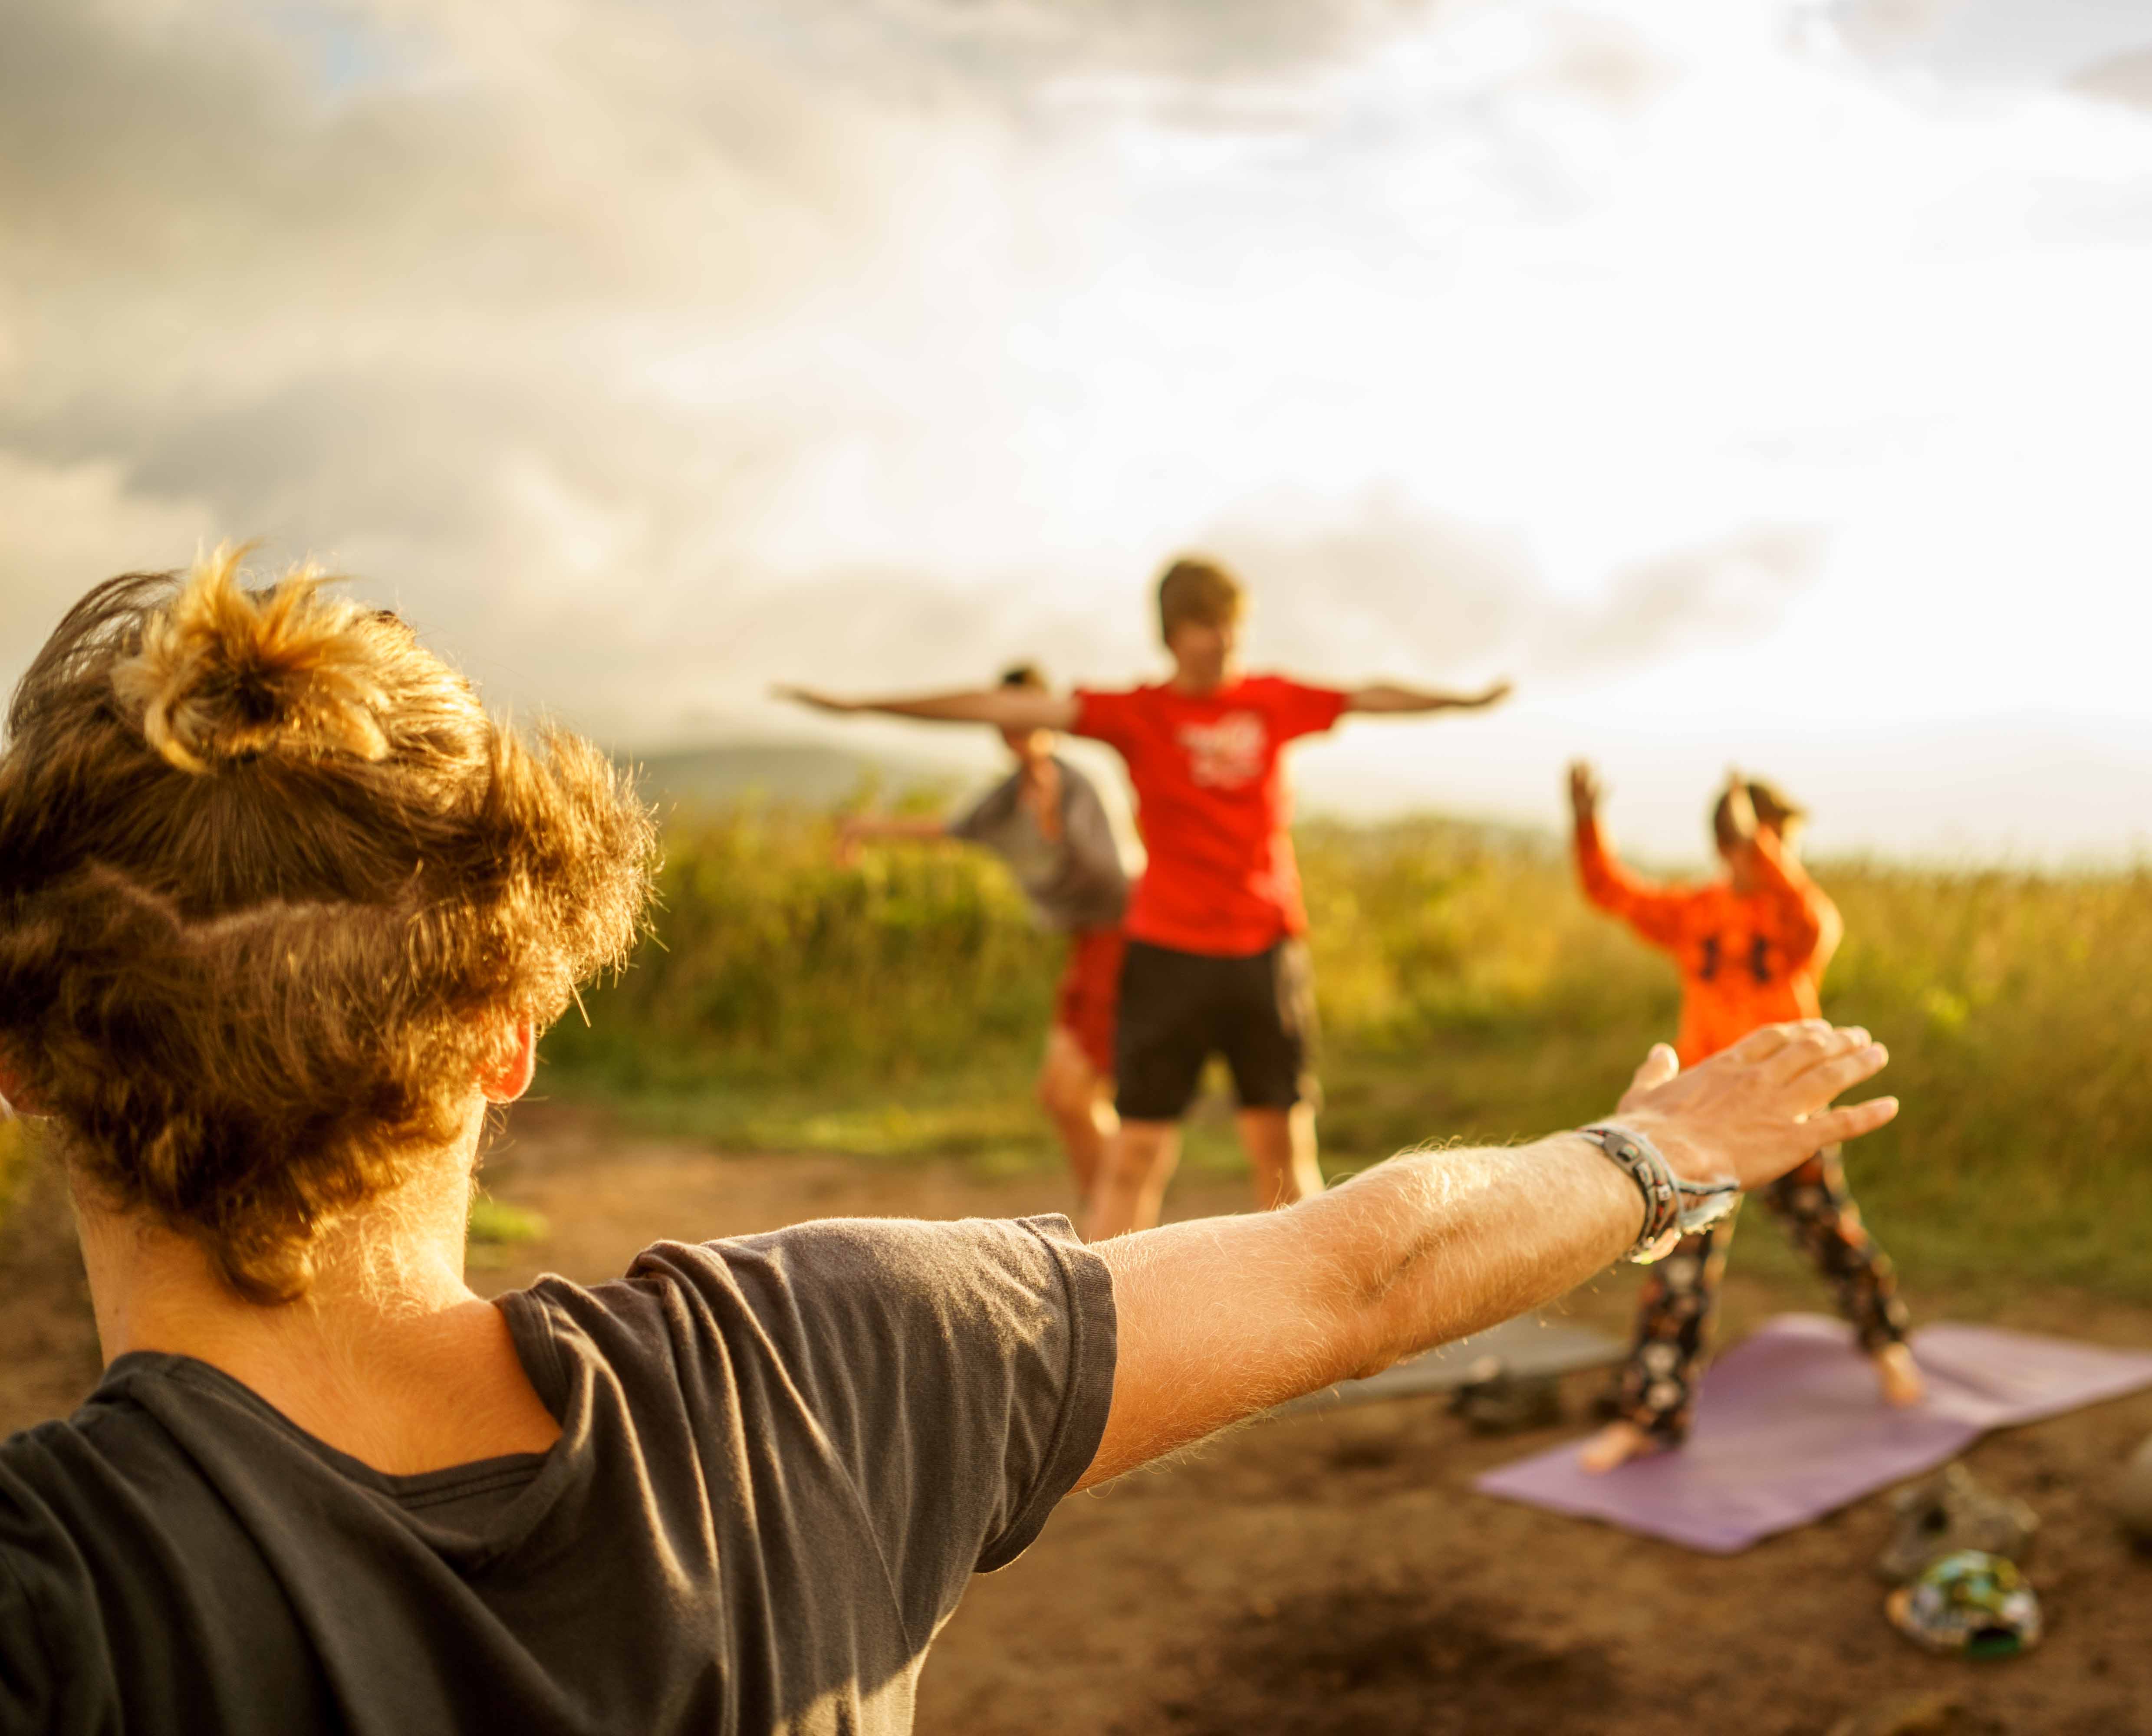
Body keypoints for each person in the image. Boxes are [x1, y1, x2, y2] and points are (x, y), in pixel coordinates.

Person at [0, 551, 1899, 1735]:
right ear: (513, 1033)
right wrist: (1660, 1145)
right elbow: (1365, 1261)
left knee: (1225, 1134)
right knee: (1174, 1162)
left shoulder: (57, 1599)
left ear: (20, 1062)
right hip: (1194, 1017)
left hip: (1230, 960)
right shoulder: (847, 1355)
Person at [777, 556, 1508, 1240]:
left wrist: (1463, 701)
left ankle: (1313, 1321)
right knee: (1134, 1159)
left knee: (1287, 1160)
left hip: (1263, 952)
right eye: (1204, 625)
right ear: (1171, 635)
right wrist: (861, 705)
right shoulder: (1138, 713)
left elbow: (1369, 696)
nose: (1221, 642)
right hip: (1167, 956)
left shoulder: (1273, 700)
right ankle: (1108, 1319)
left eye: (1231, 625)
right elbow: (1000, 704)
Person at [1566, 759, 1923, 1473]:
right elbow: (1614, 892)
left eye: (1781, 843)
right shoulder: (1696, 912)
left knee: (1833, 1237)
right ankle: (1649, 1416)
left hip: (1790, 1114)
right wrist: (1586, 825)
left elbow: (1802, 911)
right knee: (1678, 1270)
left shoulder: (1801, 917)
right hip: (1701, 1123)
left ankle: (1888, 1346)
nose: (1780, 856)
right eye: (1770, 840)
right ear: (1725, 846)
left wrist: (1754, 836)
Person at [822, 664, 1131, 1207]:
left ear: (1049, 715)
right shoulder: (1010, 797)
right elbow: (953, 828)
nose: (1015, 727)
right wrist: (864, 827)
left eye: (1025, 714)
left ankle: (1123, 1221)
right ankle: (1110, 1219)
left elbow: (1121, 876)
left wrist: (1056, 824)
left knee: (1076, 1094)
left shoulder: (1080, 785)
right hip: (1088, 944)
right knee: (1059, 1097)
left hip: (1128, 939)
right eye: (1003, 718)